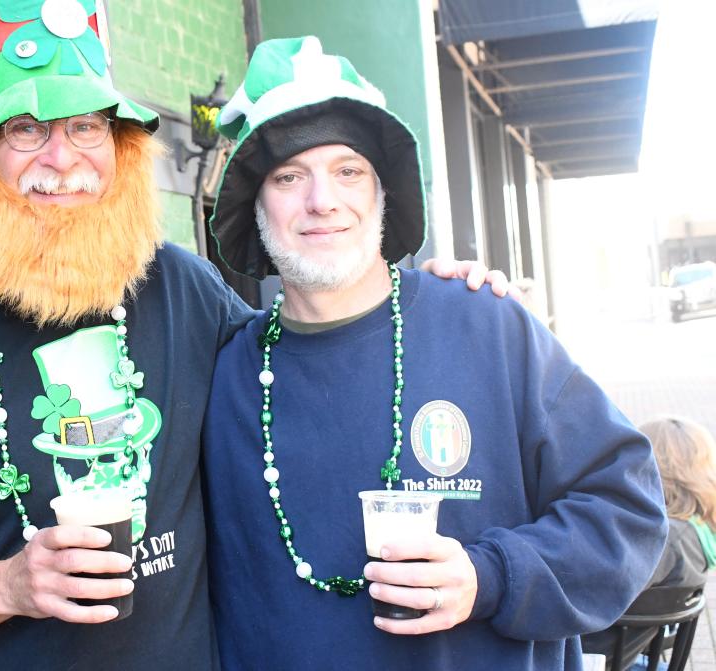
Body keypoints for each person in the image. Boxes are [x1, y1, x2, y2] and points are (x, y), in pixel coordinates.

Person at [0, 5, 507, 668]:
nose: (62, 159)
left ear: (119, 151)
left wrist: (423, 297)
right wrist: (5, 586)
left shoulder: (184, 290)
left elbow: (304, 355)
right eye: (25, 130)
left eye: (86, 126)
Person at [201, 36, 668, 671]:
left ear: (382, 192)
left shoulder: (486, 325)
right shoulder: (223, 376)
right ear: (255, 207)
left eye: (348, 170)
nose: (322, 201)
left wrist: (489, 578)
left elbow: (627, 510)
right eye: (288, 177)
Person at [582, 416, 716, 670]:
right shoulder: (697, 531)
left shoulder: (662, 540)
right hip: (632, 653)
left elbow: (593, 592)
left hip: (594, 658)